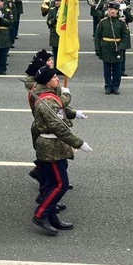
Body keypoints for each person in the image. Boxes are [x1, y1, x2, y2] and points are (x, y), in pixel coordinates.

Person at [29, 65, 90, 236]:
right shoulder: (46, 101)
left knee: (51, 184)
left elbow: (61, 112)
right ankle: (41, 214)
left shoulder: (49, 96)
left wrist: (74, 113)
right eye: (54, 77)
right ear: (47, 82)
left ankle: (51, 216)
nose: (57, 79)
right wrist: (78, 143)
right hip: (51, 147)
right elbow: (58, 127)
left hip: (54, 146)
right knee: (61, 184)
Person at [94, 2, 129, 94]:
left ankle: (116, 86)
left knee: (117, 69)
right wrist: (97, 49)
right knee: (107, 69)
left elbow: (126, 36)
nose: (111, 11)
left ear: (117, 11)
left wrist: (121, 47)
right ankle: (108, 86)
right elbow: (97, 37)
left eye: (113, 10)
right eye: (109, 10)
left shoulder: (121, 23)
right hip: (106, 48)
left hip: (117, 48)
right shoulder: (103, 22)